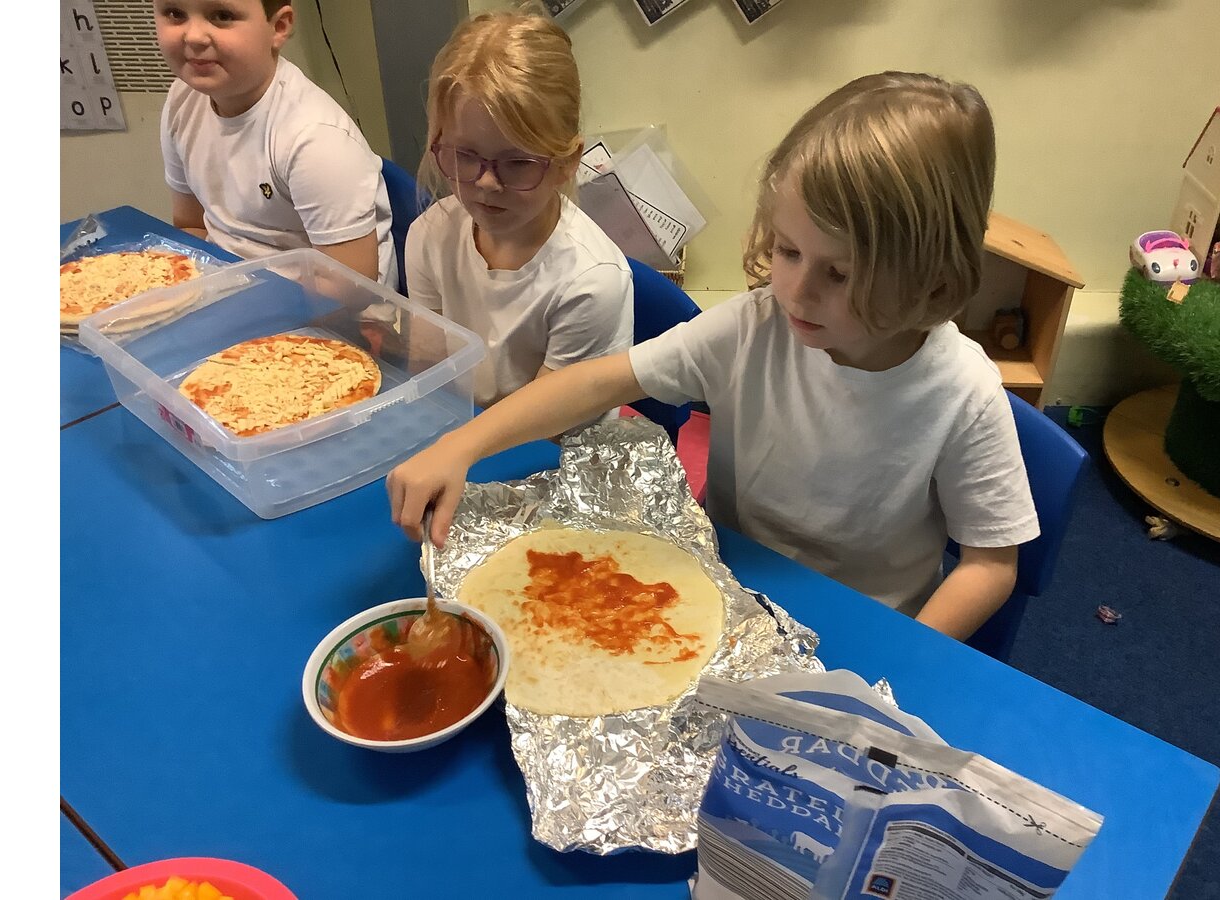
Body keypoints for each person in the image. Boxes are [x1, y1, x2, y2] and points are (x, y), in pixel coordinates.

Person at [388, 72, 1039, 642]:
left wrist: (913, 651)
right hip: (727, 591)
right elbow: (596, 383)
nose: (796, 291)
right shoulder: (755, 327)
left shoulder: (963, 396)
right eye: (787, 251)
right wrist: (462, 446)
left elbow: (990, 565)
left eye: (838, 273)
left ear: (929, 276)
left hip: (867, 629)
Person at [400, 6, 633, 410]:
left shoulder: (591, 284)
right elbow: (428, 377)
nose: (487, 183)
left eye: (518, 162)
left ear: (567, 162)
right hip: (465, 425)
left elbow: (546, 426)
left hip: (548, 438)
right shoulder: (430, 235)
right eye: (465, 156)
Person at [155, 0, 395, 285]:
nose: (194, 36)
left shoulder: (315, 140)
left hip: (324, 300)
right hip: (230, 281)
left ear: (279, 27)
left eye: (222, 16)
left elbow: (348, 287)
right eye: (175, 14)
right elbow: (191, 225)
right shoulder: (182, 100)